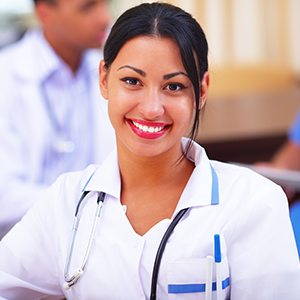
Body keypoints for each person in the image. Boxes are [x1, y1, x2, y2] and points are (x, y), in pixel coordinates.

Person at [0, 2, 299, 299]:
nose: (151, 108)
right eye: (132, 81)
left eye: (174, 86)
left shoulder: (255, 203)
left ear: (202, 90)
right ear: (103, 79)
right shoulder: (64, 201)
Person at [0, 0, 116, 238]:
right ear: (45, 13)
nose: (105, 18)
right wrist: (86, 203)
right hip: (24, 244)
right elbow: (5, 197)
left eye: (106, 4)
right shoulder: (7, 76)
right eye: (88, 7)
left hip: (100, 240)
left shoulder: (112, 74)